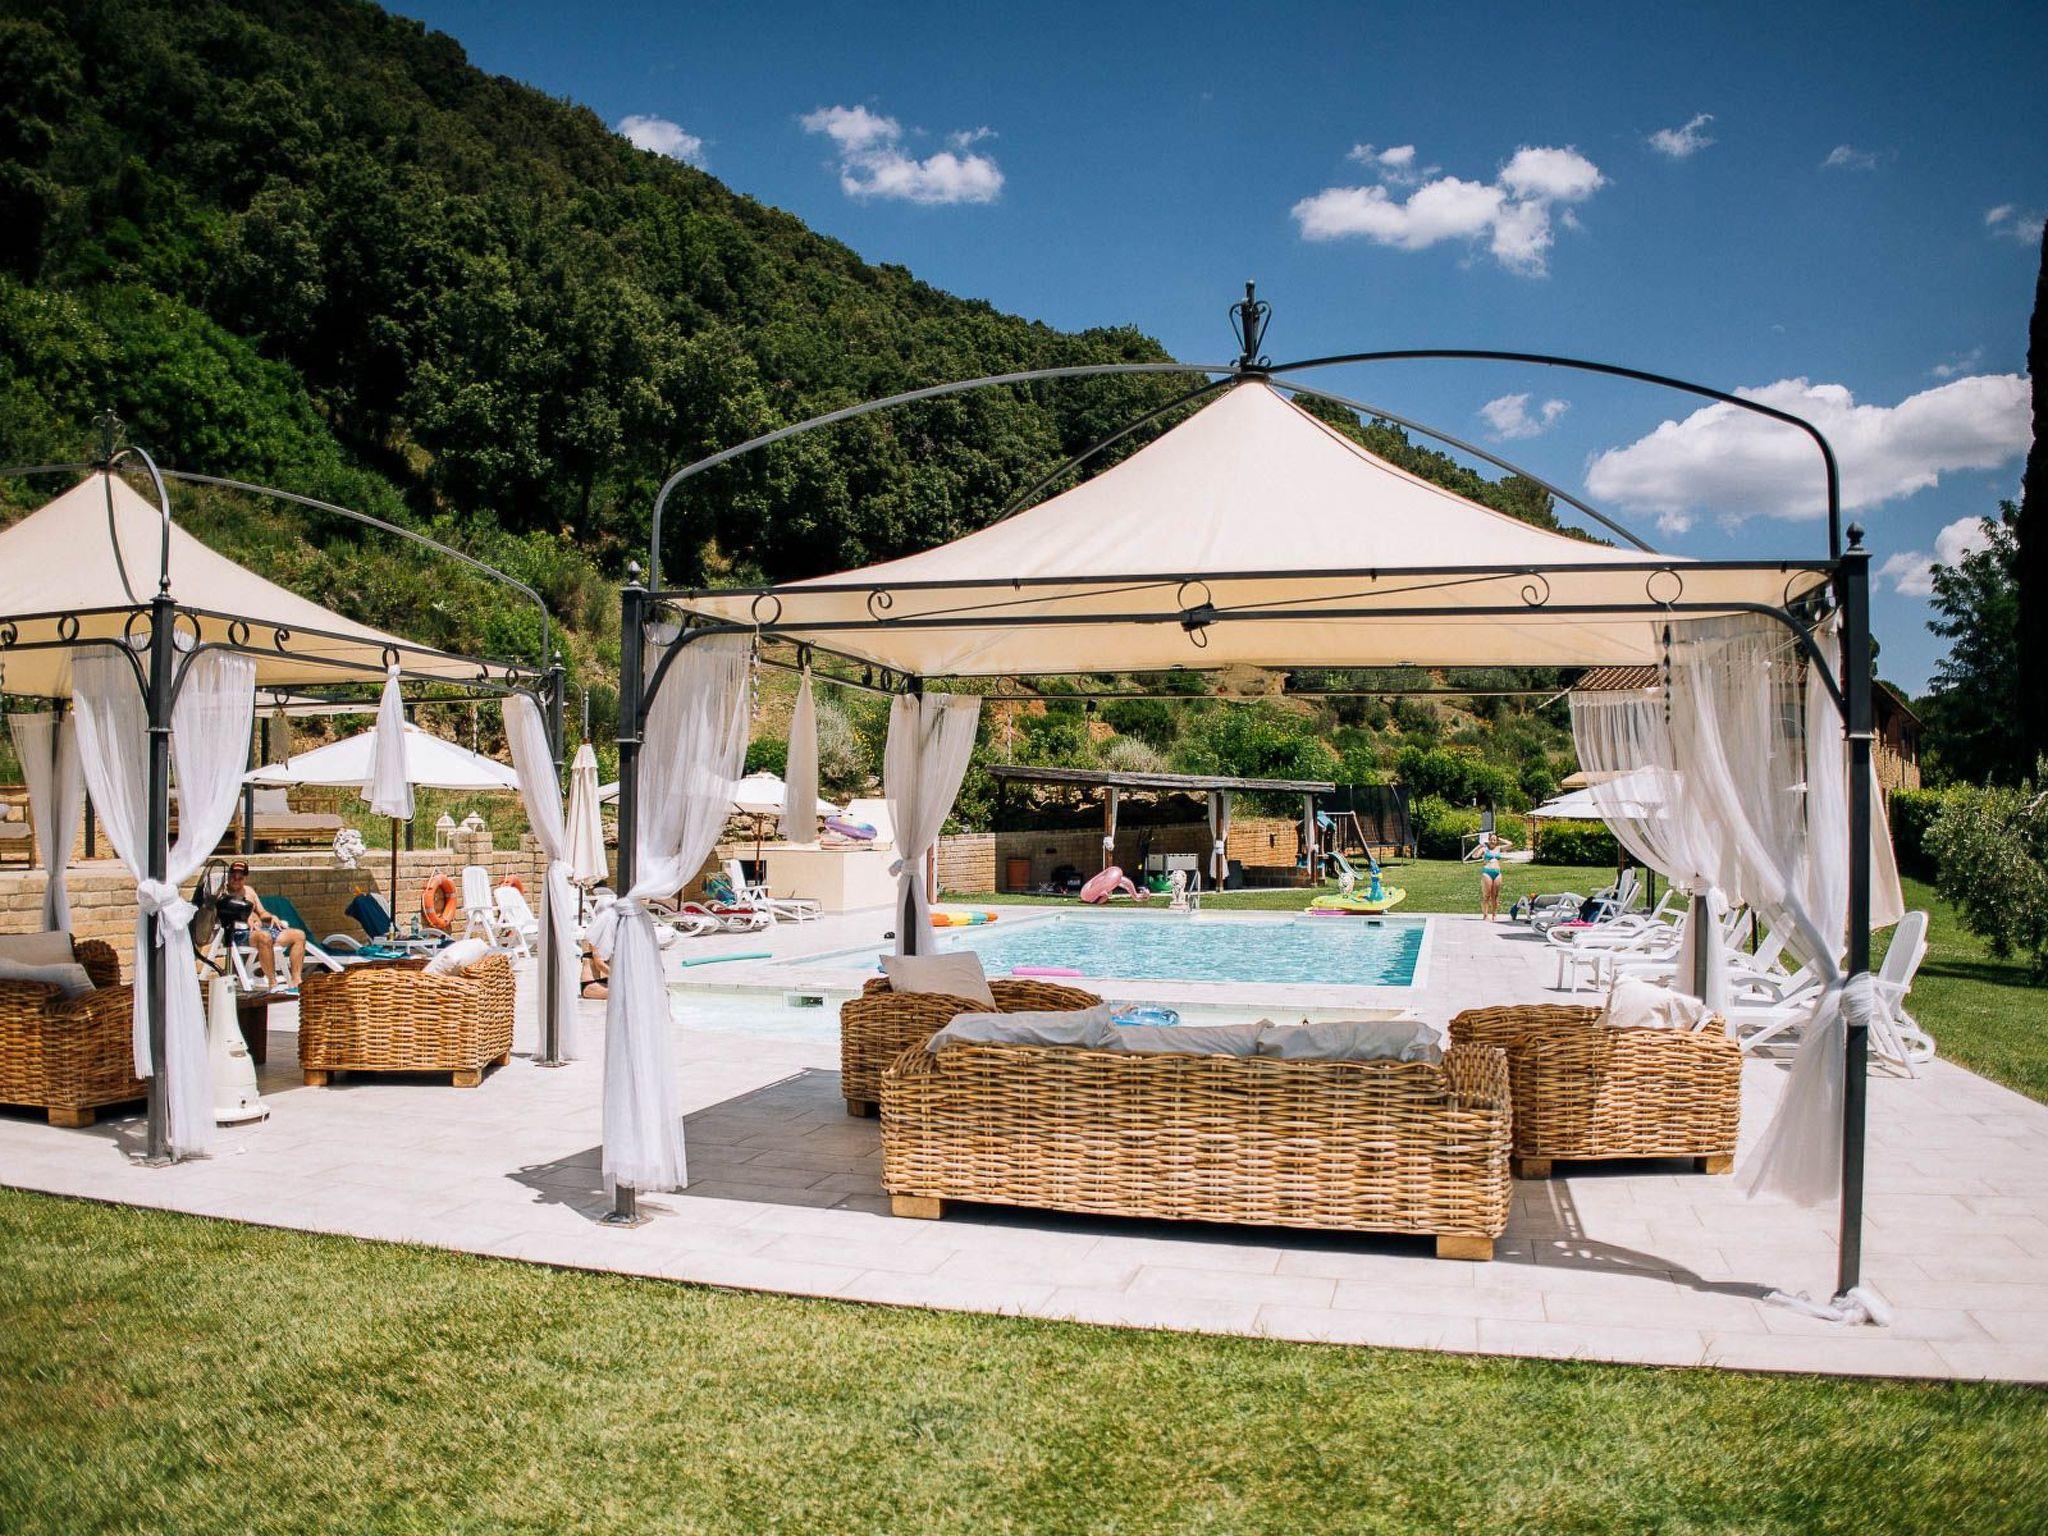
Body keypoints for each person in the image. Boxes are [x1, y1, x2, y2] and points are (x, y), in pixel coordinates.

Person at [218, 859, 305, 994]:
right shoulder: (222, 893)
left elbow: (262, 913)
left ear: (245, 878)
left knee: (298, 935)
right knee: (265, 937)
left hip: (260, 930)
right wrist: (244, 917)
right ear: (228, 876)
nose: (236, 879)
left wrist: (271, 917)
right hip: (238, 933)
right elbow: (219, 915)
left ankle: (296, 982)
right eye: (233, 876)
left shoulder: (249, 892)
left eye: (240, 877)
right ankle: (273, 983)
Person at [1464, 832, 1512, 921]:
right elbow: (1474, 856)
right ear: (1488, 840)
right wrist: (1479, 846)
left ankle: (1494, 914)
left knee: (1495, 896)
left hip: (1497, 873)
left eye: (1494, 840)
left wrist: (1499, 838)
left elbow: (1510, 844)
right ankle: (1485, 915)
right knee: (1487, 895)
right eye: (1491, 840)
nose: (1493, 841)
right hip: (1487, 873)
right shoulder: (1484, 849)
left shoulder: (1498, 848)